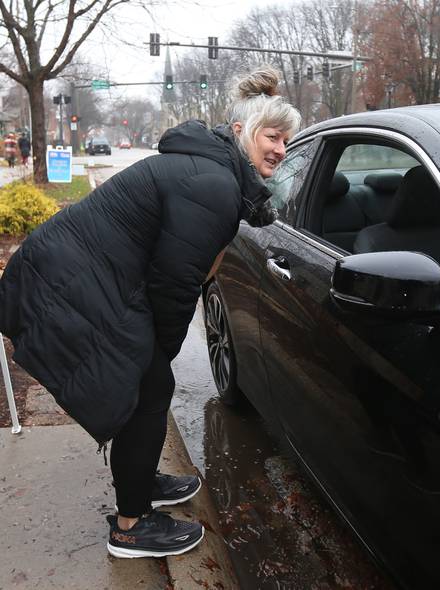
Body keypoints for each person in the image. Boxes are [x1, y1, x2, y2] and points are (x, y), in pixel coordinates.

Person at [0, 66, 301, 558]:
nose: (281, 149)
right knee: (149, 386)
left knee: (151, 386)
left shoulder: (211, 171)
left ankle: (142, 485)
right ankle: (130, 528)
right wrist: (163, 346)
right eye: (273, 136)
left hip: (81, 275)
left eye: (287, 141)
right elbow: (176, 282)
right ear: (242, 131)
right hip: (74, 282)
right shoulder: (213, 184)